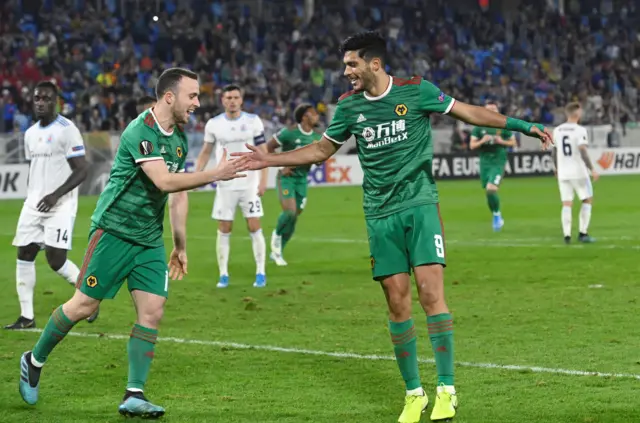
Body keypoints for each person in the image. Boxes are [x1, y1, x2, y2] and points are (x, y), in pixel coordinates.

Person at [233, 31, 552, 423]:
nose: (346, 71)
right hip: (378, 213)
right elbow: (320, 150)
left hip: (420, 206)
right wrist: (267, 161)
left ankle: (447, 390)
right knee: (397, 301)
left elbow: (469, 112)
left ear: (375, 64)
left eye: (352, 64)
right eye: (345, 64)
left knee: (431, 293)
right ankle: (414, 393)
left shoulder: (416, 91)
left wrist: (523, 125)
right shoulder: (348, 108)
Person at [18, 68, 249, 418]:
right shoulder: (141, 130)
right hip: (114, 232)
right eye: (193, 96)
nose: (198, 103)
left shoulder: (179, 138)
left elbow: (178, 194)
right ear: (169, 97)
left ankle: (134, 394)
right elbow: (164, 182)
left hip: (148, 241)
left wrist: (180, 244)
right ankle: (34, 360)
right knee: (83, 306)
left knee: (152, 312)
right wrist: (216, 174)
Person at [6, 81, 95, 330]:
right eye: (37, 99)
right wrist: (32, 195)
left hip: (60, 204)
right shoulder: (30, 133)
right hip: (34, 203)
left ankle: (89, 298)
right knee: (24, 253)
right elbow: (35, 169)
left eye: (45, 99)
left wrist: (55, 195)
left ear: (55, 102)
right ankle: (26, 317)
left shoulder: (67, 130)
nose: (40, 103)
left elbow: (83, 169)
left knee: (56, 261)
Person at [195, 84, 268, 288]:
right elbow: (205, 152)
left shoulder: (253, 121)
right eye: (228, 97)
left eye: (236, 97)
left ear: (241, 100)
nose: (232, 101)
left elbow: (263, 153)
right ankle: (223, 274)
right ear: (223, 100)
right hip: (225, 184)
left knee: (254, 226)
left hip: (249, 182)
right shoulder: (214, 124)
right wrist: (197, 175)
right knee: (224, 228)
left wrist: (263, 180)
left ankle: (261, 272)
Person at [264, 103, 322, 265]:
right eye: (313, 113)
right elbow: (268, 147)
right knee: (289, 212)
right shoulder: (289, 133)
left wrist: (318, 160)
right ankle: (276, 236)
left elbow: (320, 157)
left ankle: (278, 251)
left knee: (294, 217)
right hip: (286, 178)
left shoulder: (317, 137)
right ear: (305, 117)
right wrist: (282, 166)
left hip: (302, 179)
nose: (317, 116)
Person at [552, 102, 598, 244]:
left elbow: (554, 151)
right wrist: (592, 169)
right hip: (579, 172)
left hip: (563, 173)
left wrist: (556, 168)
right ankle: (583, 233)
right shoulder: (580, 130)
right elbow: (582, 150)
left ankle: (567, 236)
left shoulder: (557, 130)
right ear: (577, 114)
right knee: (587, 200)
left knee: (566, 203)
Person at [469, 103, 517, 231]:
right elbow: (472, 145)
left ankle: (496, 216)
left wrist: (502, 141)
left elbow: (513, 142)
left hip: (498, 162)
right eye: (489, 110)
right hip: (485, 164)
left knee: (491, 189)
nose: (492, 112)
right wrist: (482, 141)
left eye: (494, 110)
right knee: (488, 191)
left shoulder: (504, 125)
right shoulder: (478, 128)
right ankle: (496, 214)